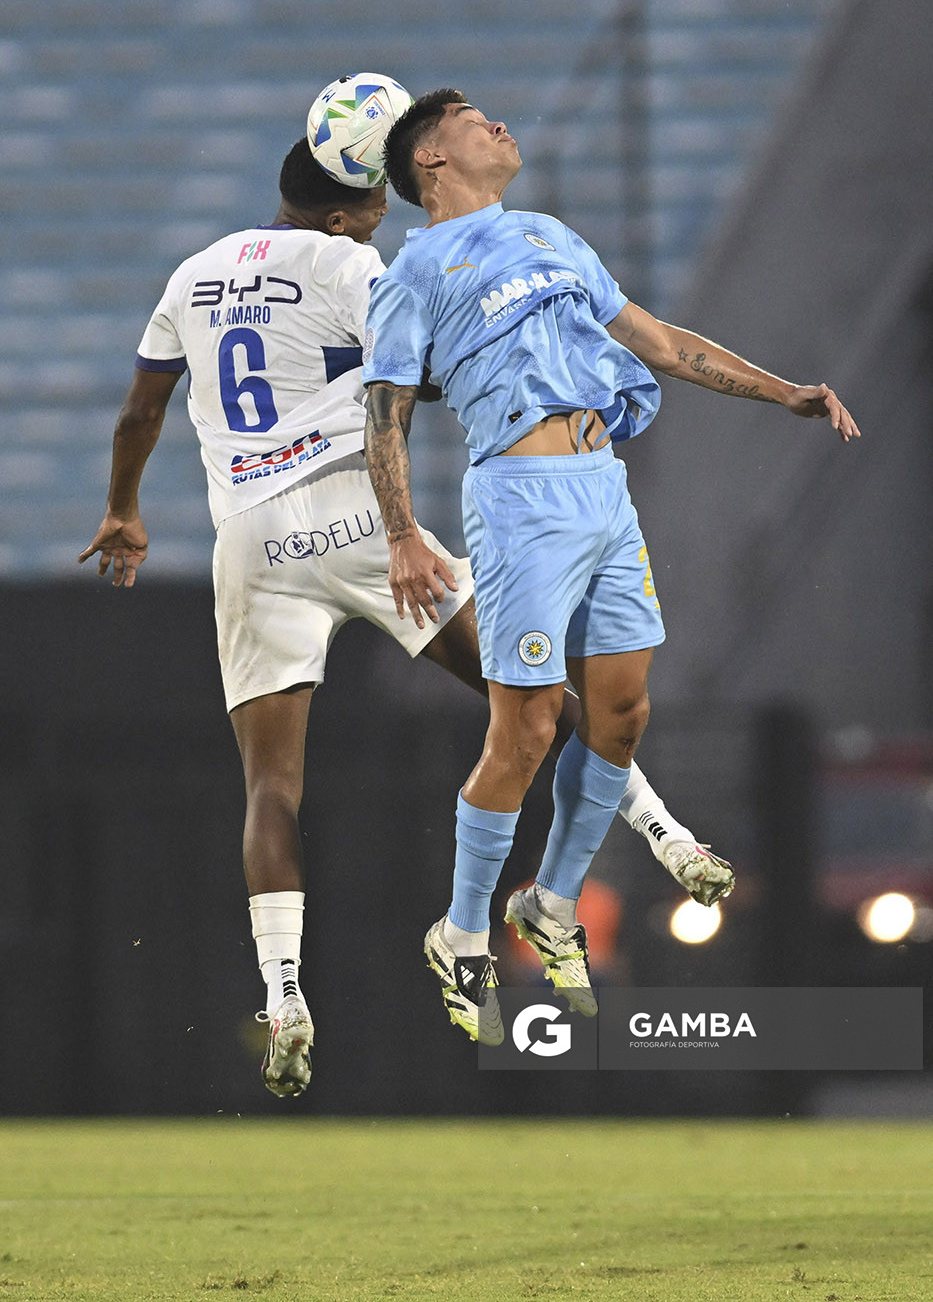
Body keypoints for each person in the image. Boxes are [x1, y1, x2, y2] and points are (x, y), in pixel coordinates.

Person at [80, 136, 734, 1095]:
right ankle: (664, 830)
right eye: (372, 210)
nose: (381, 221)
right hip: (355, 514)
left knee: (271, 788)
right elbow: (416, 373)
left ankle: (284, 995)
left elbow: (139, 414)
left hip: (251, 540)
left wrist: (123, 510)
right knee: (527, 698)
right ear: (338, 214)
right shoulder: (347, 264)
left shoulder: (193, 274)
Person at [362, 89, 860, 1046]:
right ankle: (461, 932)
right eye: (471, 120)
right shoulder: (415, 270)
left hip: (602, 489)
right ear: (430, 159)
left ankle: (550, 905)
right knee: (526, 728)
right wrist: (400, 533)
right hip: (521, 501)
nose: (496, 125)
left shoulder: (550, 235)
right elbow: (385, 410)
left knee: (622, 716)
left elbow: (661, 344)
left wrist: (783, 393)